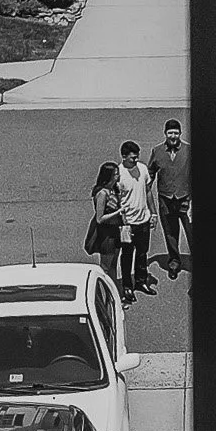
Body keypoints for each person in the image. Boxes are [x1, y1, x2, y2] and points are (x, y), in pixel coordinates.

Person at [147, 119, 193, 280]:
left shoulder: (189, 150)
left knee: (192, 232)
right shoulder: (157, 151)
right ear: (165, 134)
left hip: (186, 199)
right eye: (170, 133)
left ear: (180, 133)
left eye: (176, 133)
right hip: (166, 199)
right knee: (170, 232)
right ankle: (174, 261)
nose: (173, 136)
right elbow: (150, 173)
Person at [115, 140, 154, 300]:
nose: (136, 161)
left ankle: (141, 281)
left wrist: (153, 213)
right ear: (124, 157)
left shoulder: (143, 169)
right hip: (127, 223)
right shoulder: (119, 174)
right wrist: (123, 222)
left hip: (143, 219)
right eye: (132, 158)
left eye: (137, 157)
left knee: (142, 253)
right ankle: (127, 286)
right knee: (127, 255)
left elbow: (148, 191)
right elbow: (117, 200)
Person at [86, 161, 123, 291]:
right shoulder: (102, 194)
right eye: (116, 174)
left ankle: (115, 293)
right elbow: (100, 218)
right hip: (106, 234)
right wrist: (118, 212)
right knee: (106, 268)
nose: (118, 176)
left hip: (116, 231)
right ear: (109, 176)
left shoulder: (114, 190)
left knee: (114, 265)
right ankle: (104, 293)